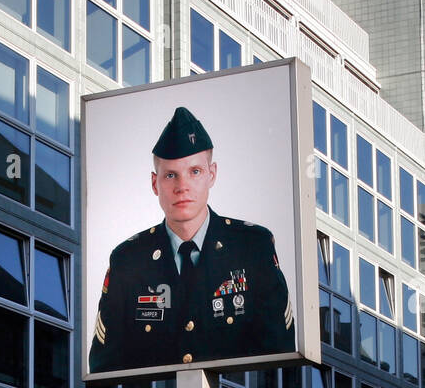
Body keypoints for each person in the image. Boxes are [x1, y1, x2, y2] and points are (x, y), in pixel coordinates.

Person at [89, 106, 292, 374]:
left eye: (194, 171)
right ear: (154, 183)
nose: (182, 186)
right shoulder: (128, 260)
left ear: (212, 174)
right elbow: (106, 368)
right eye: (170, 175)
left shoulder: (253, 248)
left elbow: (281, 358)